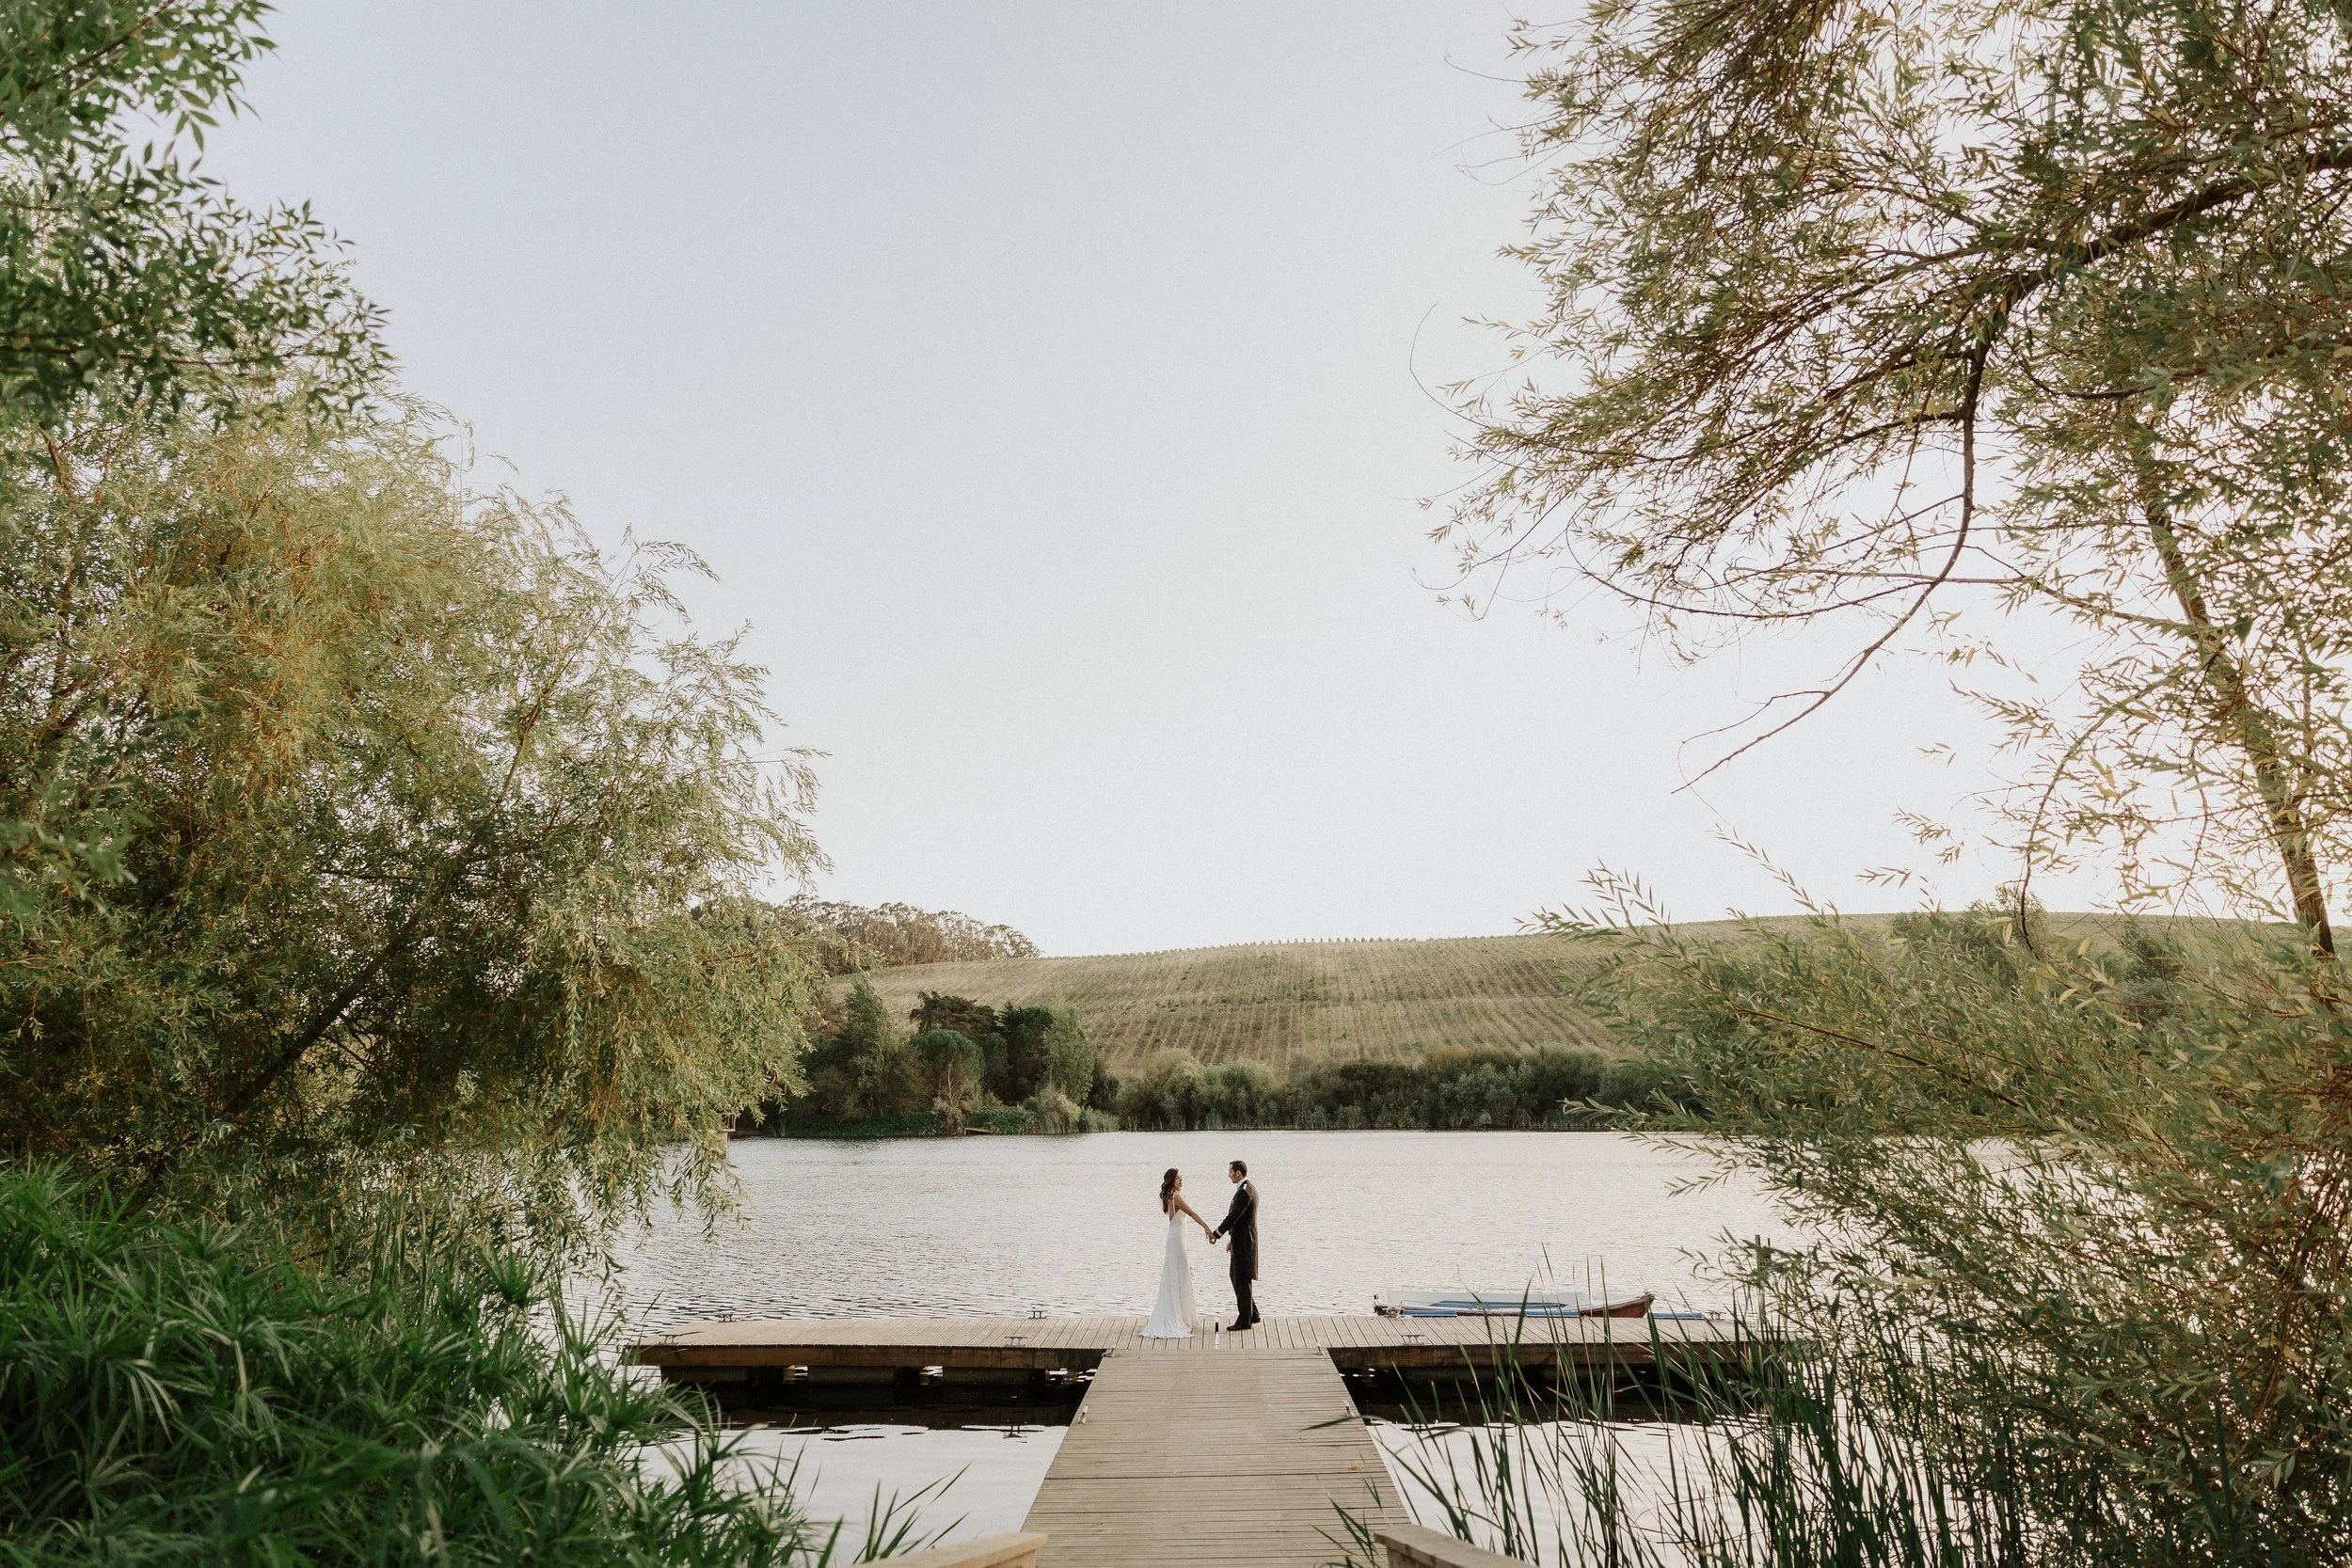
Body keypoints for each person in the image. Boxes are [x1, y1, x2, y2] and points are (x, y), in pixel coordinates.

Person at [1141, 1166, 1214, 1338]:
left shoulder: (1169, 1196)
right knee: (1180, 1273)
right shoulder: (1176, 1196)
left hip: (1175, 1238)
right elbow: (1191, 1212)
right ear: (1171, 1180)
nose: (1181, 1180)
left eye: (1181, 1178)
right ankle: (1177, 1317)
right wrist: (1206, 1227)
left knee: (1177, 1273)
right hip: (1176, 1240)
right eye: (1178, 1178)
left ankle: (1178, 1314)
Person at [1207, 1158, 1261, 1330]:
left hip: (1244, 1243)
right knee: (1238, 1278)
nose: (1228, 1175)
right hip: (1241, 1240)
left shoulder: (1244, 1192)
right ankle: (1253, 1314)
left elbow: (1233, 1217)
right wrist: (1231, 1239)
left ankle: (1245, 1321)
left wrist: (1217, 1233)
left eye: (1230, 1172)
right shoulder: (1248, 1188)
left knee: (1241, 1279)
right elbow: (1241, 1221)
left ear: (1238, 1173)